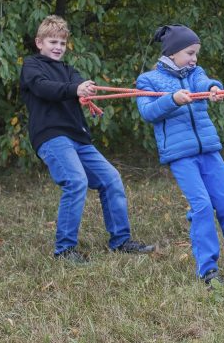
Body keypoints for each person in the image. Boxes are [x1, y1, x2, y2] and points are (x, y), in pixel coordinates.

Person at [135, 24, 224, 287]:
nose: (194, 58)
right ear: (172, 53)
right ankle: (208, 270)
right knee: (203, 207)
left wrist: (213, 88)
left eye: (196, 53)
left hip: (209, 150)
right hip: (181, 155)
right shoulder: (148, 80)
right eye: (190, 53)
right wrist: (173, 99)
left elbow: (204, 83)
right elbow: (147, 112)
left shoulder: (195, 73)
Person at [20, 15, 155, 263]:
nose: (58, 47)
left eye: (62, 43)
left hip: (78, 138)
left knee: (111, 178)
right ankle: (65, 250)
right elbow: (43, 87)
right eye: (52, 42)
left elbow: (77, 84)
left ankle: (121, 240)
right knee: (75, 180)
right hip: (52, 135)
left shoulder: (70, 71)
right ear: (39, 43)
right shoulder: (32, 66)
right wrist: (75, 89)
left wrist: (84, 89)